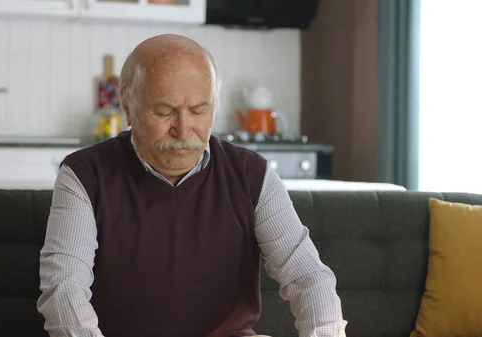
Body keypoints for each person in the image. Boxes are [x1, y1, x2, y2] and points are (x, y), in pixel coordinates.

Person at [37, 34, 347, 337]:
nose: (183, 129)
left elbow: (307, 276)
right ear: (128, 107)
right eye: (164, 111)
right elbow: (64, 287)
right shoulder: (84, 174)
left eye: (199, 110)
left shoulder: (252, 174)